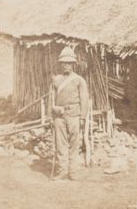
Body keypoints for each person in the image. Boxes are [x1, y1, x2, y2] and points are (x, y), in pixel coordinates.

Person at [50, 46, 89, 181]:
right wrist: (54, 111)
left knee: (74, 144)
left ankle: (73, 172)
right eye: (64, 63)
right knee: (60, 145)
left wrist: (82, 117)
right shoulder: (56, 80)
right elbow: (52, 99)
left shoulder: (79, 80)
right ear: (61, 64)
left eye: (69, 63)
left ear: (73, 64)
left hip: (74, 116)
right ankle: (61, 172)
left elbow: (84, 100)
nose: (66, 65)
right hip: (59, 117)